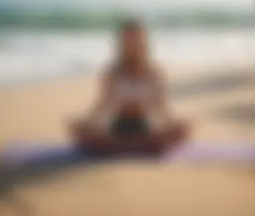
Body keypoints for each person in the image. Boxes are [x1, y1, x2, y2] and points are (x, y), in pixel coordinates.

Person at [70, 19, 188, 156]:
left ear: (143, 41)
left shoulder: (153, 72)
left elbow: (161, 106)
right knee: (82, 130)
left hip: (146, 126)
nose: (131, 44)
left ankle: (125, 146)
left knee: (181, 129)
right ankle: (134, 146)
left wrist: (172, 123)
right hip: (117, 126)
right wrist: (87, 122)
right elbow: (103, 104)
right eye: (128, 39)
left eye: (135, 39)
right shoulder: (112, 72)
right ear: (121, 42)